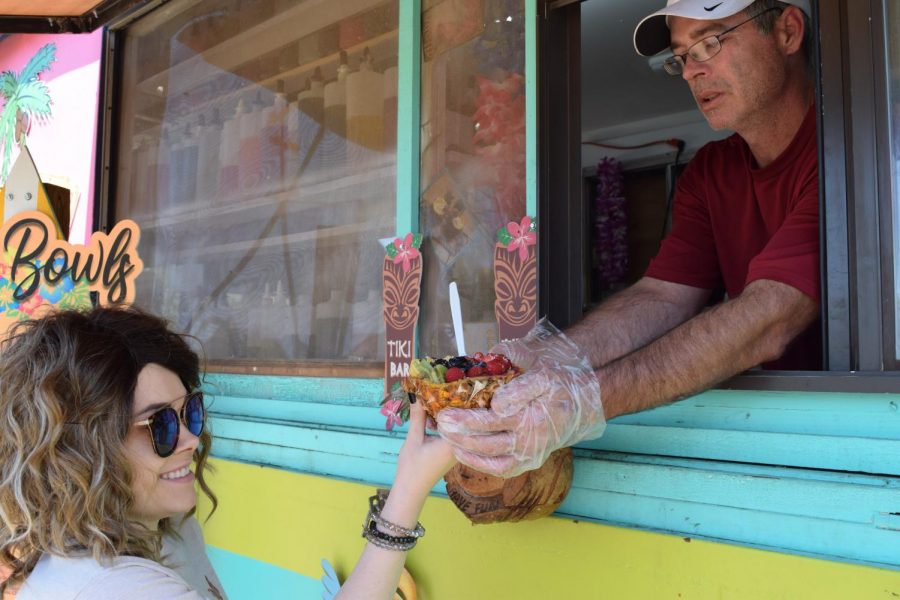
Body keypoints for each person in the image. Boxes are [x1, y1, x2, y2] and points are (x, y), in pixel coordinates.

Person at [437, 0, 819, 478]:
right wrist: (545, 356)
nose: (692, 72)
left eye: (711, 42)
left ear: (787, 32)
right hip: (754, 439)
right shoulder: (710, 172)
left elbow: (771, 316)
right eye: (682, 57)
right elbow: (663, 296)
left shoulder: (848, 150)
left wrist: (586, 399)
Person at [0, 306, 455, 599]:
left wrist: (410, 483)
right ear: (82, 452)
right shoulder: (124, 589)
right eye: (160, 424)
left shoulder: (161, 534)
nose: (191, 439)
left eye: (190, 412)